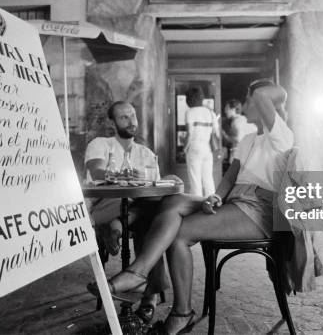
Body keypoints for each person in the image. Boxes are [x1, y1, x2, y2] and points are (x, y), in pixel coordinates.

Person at [91, 79, 295, 334]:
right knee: (173, 201)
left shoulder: (281, 134)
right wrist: (216, 197)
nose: (244, 105)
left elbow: (268, 94)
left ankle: (177, 309)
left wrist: (259, 89)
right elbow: (230, 178)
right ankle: (143, 276)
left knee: (179, 233)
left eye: (249, 100)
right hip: (235, 202)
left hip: (260, 211)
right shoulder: (249, 139)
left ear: (267, 104)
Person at [84, 101, 168, 322]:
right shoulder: (100, 144)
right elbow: (98, 172)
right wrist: (129, 177)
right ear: (112, 122)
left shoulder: (146, 153)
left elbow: (154, 189)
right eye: (124, 117)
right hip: (103, 206)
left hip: (137, 210)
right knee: (148, 213)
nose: (131, 122)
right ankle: (150, 295)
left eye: (133, 115)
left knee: (151, 219)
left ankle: (116, 228)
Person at [184, 86, 219, 197]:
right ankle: (213, 204)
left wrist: (185, 149)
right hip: (207, 149)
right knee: (208, 180)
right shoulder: (210, 112)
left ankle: (196, 207)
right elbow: (216, 133)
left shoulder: (190, 112)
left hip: (194, 147)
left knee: (195, 182)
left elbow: (189, 134)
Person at [221, 99, 257, 163]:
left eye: (227, 109)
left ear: (233, 109)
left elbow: (239, 139)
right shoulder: (245, 120)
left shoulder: (236, 122)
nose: (225, 111)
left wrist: (225, 136)